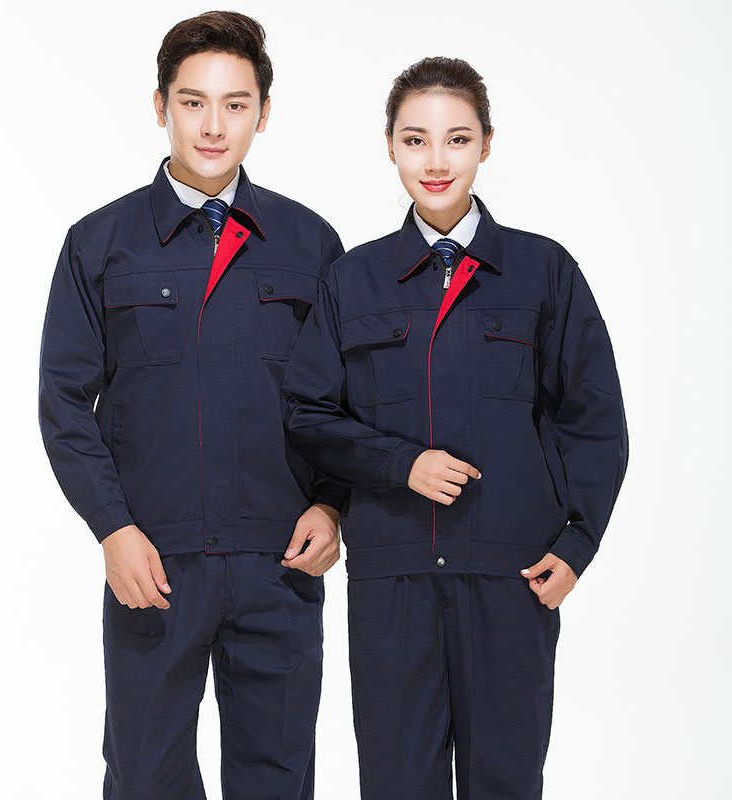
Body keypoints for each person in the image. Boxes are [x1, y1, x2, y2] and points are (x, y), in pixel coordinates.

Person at [283, 56, 628, 799]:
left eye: (457, 139)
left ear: (487, 144)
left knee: (505, 782)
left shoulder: (543, 271)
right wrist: (399, 464)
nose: (436, 162)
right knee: (397, 785)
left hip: (512, 577)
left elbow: (593, 418)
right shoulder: (354, 280)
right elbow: (308, 412)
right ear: (389, 146)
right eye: (415, 140)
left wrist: (577, 545)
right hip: (392, 577)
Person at [39, 12, 346, 800]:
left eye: (236, 104)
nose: (214, 126)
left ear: (263, 114)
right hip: (153, 560)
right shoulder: (100, 244)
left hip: (279, 561)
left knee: (278, 780)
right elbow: (64, 403)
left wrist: (334, 506)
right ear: (160, 106)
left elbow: (349, 400)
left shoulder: (310, 245)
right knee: (145, 777)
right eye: (193, 102)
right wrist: (113, 528)